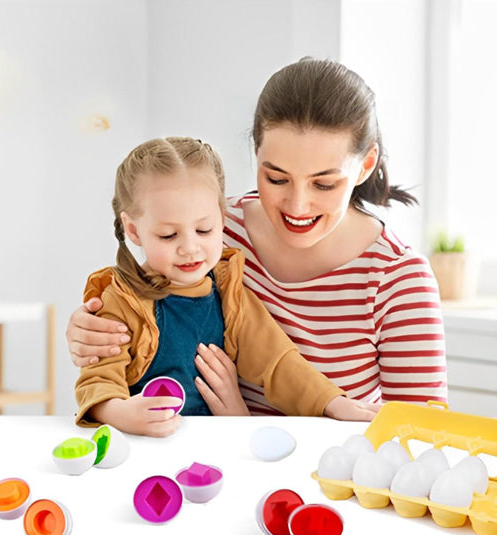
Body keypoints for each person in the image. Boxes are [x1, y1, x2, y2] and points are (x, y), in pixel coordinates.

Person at [67, 58, 447, 416]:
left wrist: (241, 423)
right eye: (276, 178)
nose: (298, 206)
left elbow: (419, 443)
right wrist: (92, 332)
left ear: (365, 165)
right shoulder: (212, 232)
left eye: (324, 183)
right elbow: (136, 307)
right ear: (256, 154)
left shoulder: (398, 278)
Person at [74, 136, 379, 437]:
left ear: (221, 219)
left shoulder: (229, 293)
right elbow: (97, 382)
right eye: (169, 235)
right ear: (133, 230)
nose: (190, 248)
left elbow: (278, 362)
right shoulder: (121, 299)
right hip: (141, 452)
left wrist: (332, 403)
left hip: (215, 451)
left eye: (203, 230)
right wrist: (121, 413)